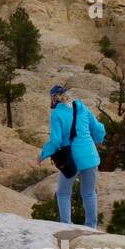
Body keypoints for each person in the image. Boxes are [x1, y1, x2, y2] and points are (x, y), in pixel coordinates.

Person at [38, 84, 106, 228]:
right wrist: (97, 141)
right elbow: (99, 128)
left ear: (54, 98)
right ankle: (91, 227)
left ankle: (66, 225)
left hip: (71, 160)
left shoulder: (57, 114)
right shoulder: (83, 108)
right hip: (91, 157)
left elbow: (56, 141)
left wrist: (42, 154)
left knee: (63, 193)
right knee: (89, 193)